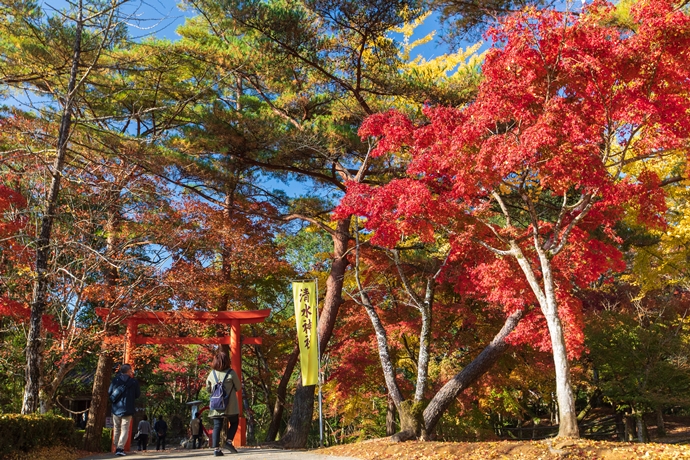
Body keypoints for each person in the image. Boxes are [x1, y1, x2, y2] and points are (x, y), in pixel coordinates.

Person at [206, 351, 241, 456]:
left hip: (216, 404)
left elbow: (208, 389)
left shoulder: (212, 374)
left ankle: (216, 450)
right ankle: (228, 442)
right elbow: (238, 387)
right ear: (227, 361)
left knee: (217, 426)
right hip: (230, 404)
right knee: (234, 422)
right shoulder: (231, 373)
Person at [108, 364, 141, 457]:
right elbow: (137, 394)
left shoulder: (115, 380)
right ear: (129, 371)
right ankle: (120, 448)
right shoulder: (133, 382)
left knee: (117, 428)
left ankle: (116, 445)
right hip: (128, 408)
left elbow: (109, 392)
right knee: (125, 429)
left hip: (116, 409)